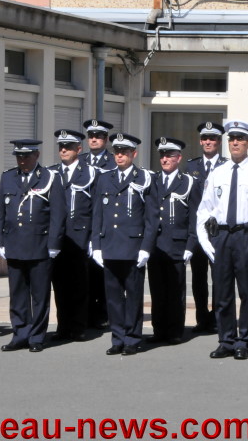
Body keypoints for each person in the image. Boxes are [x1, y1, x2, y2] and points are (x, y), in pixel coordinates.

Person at [196, 120, 248, 360]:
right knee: (222, 292)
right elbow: (205, 208)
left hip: (247, 235)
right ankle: (226, 339)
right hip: (222, 236)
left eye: (240, 139)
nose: (235, 143)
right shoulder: (218, 172)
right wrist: (204, 239)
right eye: (232, 139)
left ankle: (245, 340)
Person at [0, 140, 66, 353]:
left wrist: (54, 243)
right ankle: (20, 334)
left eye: (26, 156)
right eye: (19, 156)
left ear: (36, 155)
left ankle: (36, 336)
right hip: (14, 244)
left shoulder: (50, 177)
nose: (22, 160)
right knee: (17, 294)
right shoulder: (8, 177)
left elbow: (58, 214)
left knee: (39, 295)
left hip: (39, 245)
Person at [91, 133, 158, 356]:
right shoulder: (105, 178)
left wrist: (146, 248)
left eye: (124, 152)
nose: (120, 156)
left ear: (133, 154)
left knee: (133, 297)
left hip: (133, 248)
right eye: (117, 152)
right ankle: (117, 337)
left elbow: (151, 218)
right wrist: (96, 245)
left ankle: (132, 338)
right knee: (113, 298)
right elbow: (97, 215)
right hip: (110, 246)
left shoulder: (144, 178)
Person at [146, 137, 201, 345]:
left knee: (175, 290)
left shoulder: (188, 182)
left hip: (177, 244)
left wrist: (190, 245)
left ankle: (175, 331)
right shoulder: (152, 180)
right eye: (162, 155)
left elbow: (194, 217)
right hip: (156, 244)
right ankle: (159, 330)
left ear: (179, 158)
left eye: (169, 155)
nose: (164, 159)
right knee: (157, 290)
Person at [49, 129, 96, 342]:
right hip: (58, 237)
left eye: (68, 147)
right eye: (61, 147)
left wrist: (93, 238)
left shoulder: (91, 173)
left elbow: (96, 208)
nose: (63, 150)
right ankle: (63, 326)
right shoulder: (51, 173)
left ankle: (78, 327)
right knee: (59, 284)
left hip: (80, 237)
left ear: (79, 149)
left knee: (79, 284)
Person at [184, 121, 227, 334]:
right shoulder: (191, 167)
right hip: (197, 231)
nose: (208, 142)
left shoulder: (227, 166)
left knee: (219, 277)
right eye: (205, 138)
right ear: (200, 141)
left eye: (212, 138)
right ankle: (202, 318)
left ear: (219, 141)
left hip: (218, 231)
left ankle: (218, 318)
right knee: (198, 277)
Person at [80, 118, 115, 331]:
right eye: (91, 136)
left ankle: (103, 313)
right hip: (82, 224)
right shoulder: (80, 161)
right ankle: (86, 313)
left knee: (102, 272)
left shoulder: (113, 162)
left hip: (105, 224)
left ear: (106, 139)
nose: (94, 139)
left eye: (98, 136)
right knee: (83, 273)